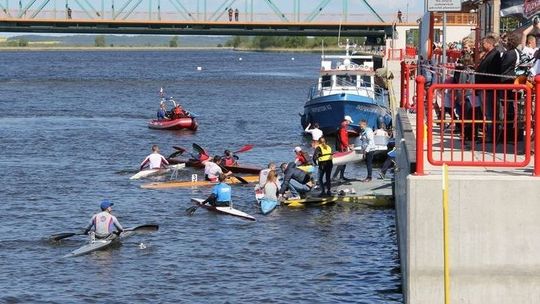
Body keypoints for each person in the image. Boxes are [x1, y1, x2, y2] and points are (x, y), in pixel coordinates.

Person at [475, 34, 502, 142]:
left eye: (483, 43)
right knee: (486, 112)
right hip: (483, 87)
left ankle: (491, 135)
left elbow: (491, 71)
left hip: (488, 87)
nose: (481, 45)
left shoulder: (495, 54)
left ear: (489, 44)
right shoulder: (487, 54)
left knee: (489, 112)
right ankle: (488, 134)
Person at [332, 115, 353, 181]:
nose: (350, 123)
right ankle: (337, 176)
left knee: (343, 162)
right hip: (342, 147)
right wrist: (348, 146)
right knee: (342, 162)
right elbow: (343, 139)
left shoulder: (342, 126)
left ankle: (340, 176)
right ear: (347, 121)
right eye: (349, 122)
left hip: (341, 146)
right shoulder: (343, 128)